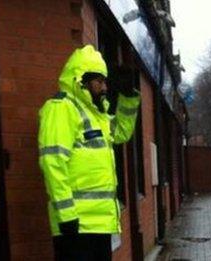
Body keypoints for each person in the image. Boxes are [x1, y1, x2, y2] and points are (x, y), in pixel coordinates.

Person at [38, 45, 140, 261]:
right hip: (76, 225)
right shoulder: (62, 108)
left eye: (105, 81)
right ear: (81, 80)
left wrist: (128, 96)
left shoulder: (97, 115)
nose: (104, 87)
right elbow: (53, 161)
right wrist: (66, 216)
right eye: (99, 81)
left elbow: (121, 133)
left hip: (99, 224)